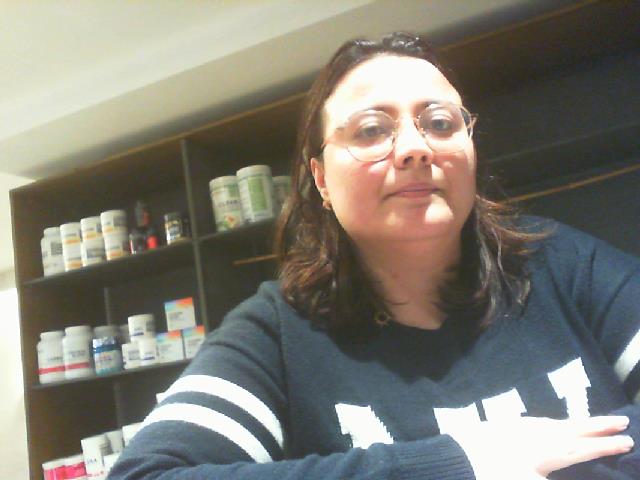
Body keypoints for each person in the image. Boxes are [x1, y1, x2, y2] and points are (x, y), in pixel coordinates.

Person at [108, 32, 640, 480]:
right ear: (321, 180)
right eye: (370, 130)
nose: (415, 147)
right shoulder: (277, 336)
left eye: (440, 123)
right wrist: (461, 465)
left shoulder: (560, 263)